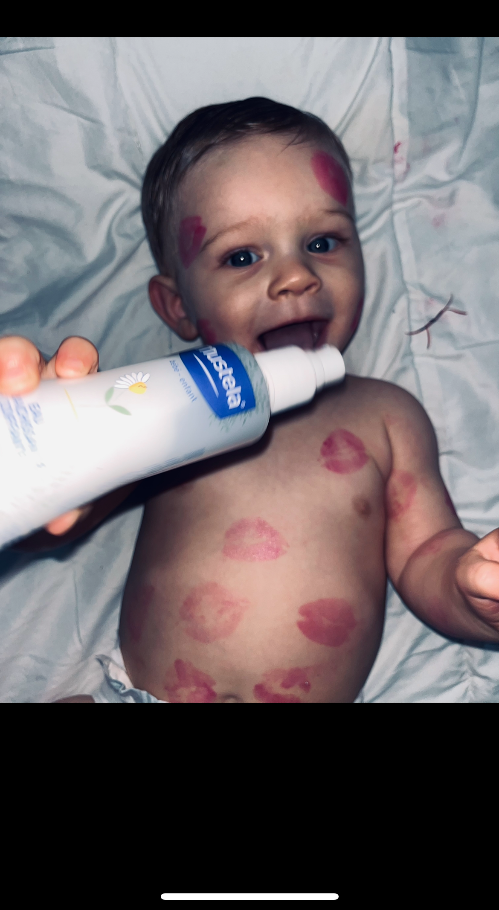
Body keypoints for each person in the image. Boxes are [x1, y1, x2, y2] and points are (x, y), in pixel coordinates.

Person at [2, 98, 499, 703]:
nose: (296, 276)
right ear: (178, 307)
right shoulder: (172, 405)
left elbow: (426, 553)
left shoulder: (386, 416)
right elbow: (60, 519)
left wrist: (472, 587)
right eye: (242, 256)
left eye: (322, 241)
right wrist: (46, 477)